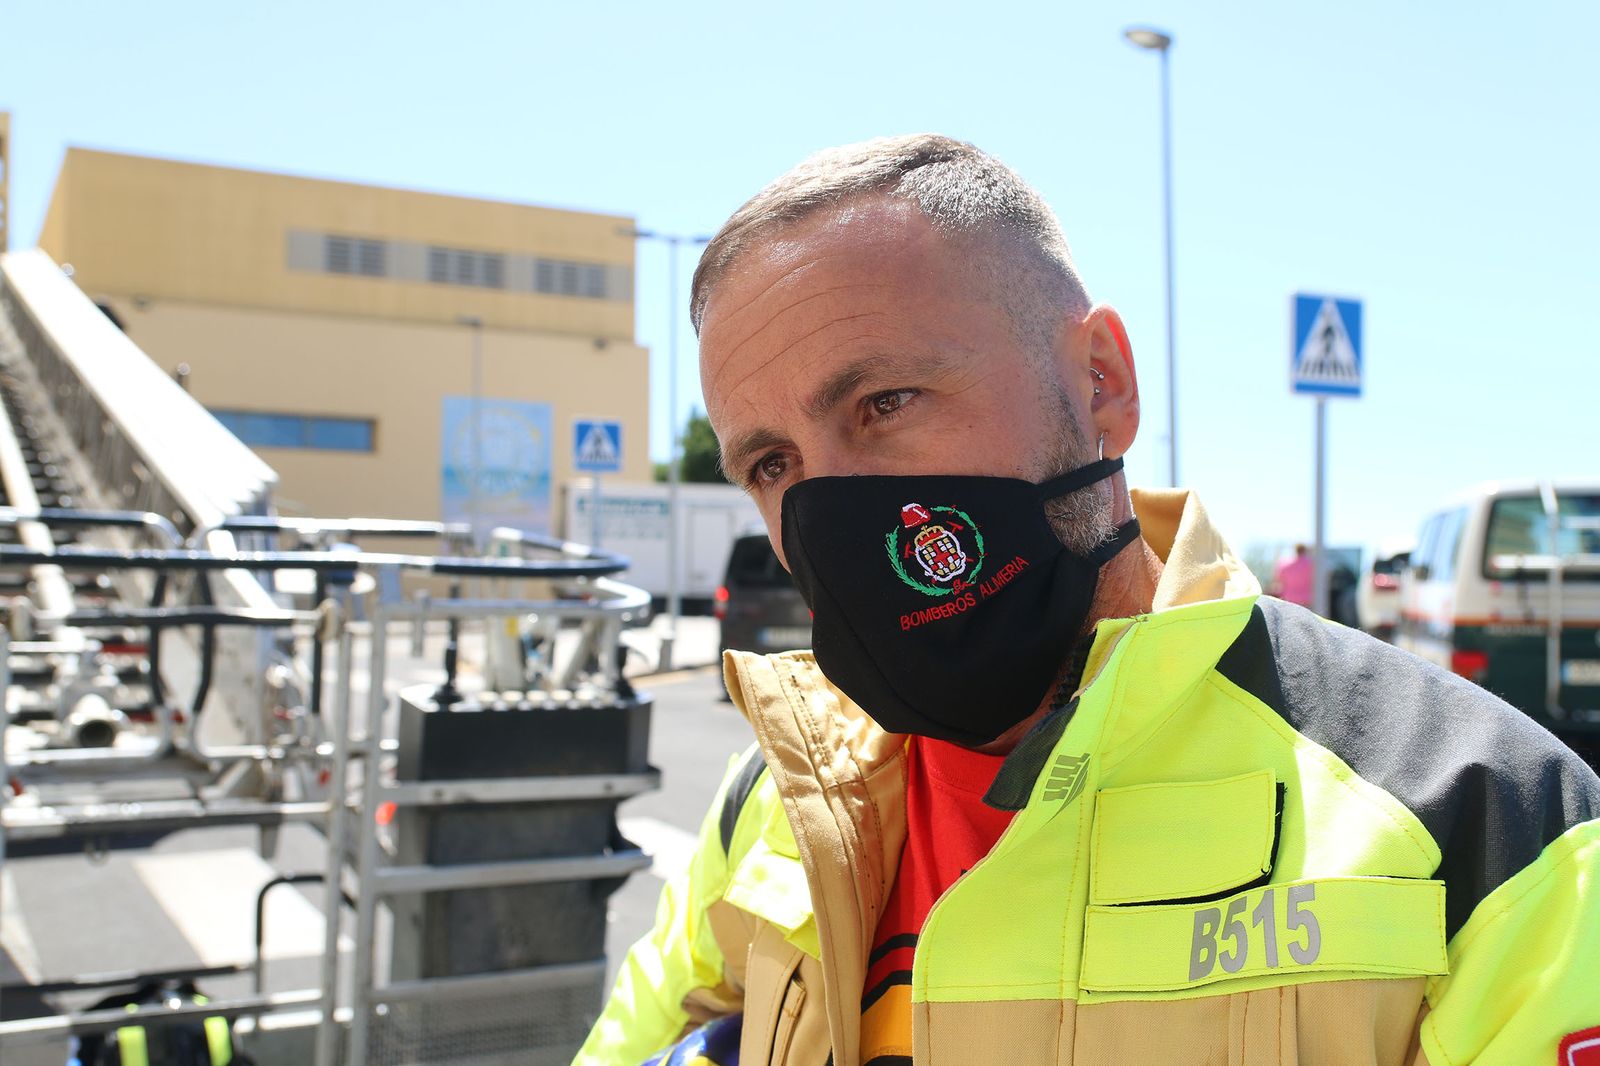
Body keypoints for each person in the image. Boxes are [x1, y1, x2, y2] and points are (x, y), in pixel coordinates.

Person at [575, 135, 1600, 1066]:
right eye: (770, 461)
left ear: (1101, 383)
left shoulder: (1483, 815)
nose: (827, 503)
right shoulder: (771, 803)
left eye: (883, 403)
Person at [1273, 543, 1314, 607]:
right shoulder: (1310, 564)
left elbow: (1278, 579)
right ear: (1304, 550)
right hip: (1306, 600)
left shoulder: (1284, 564)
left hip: (1289, 599)